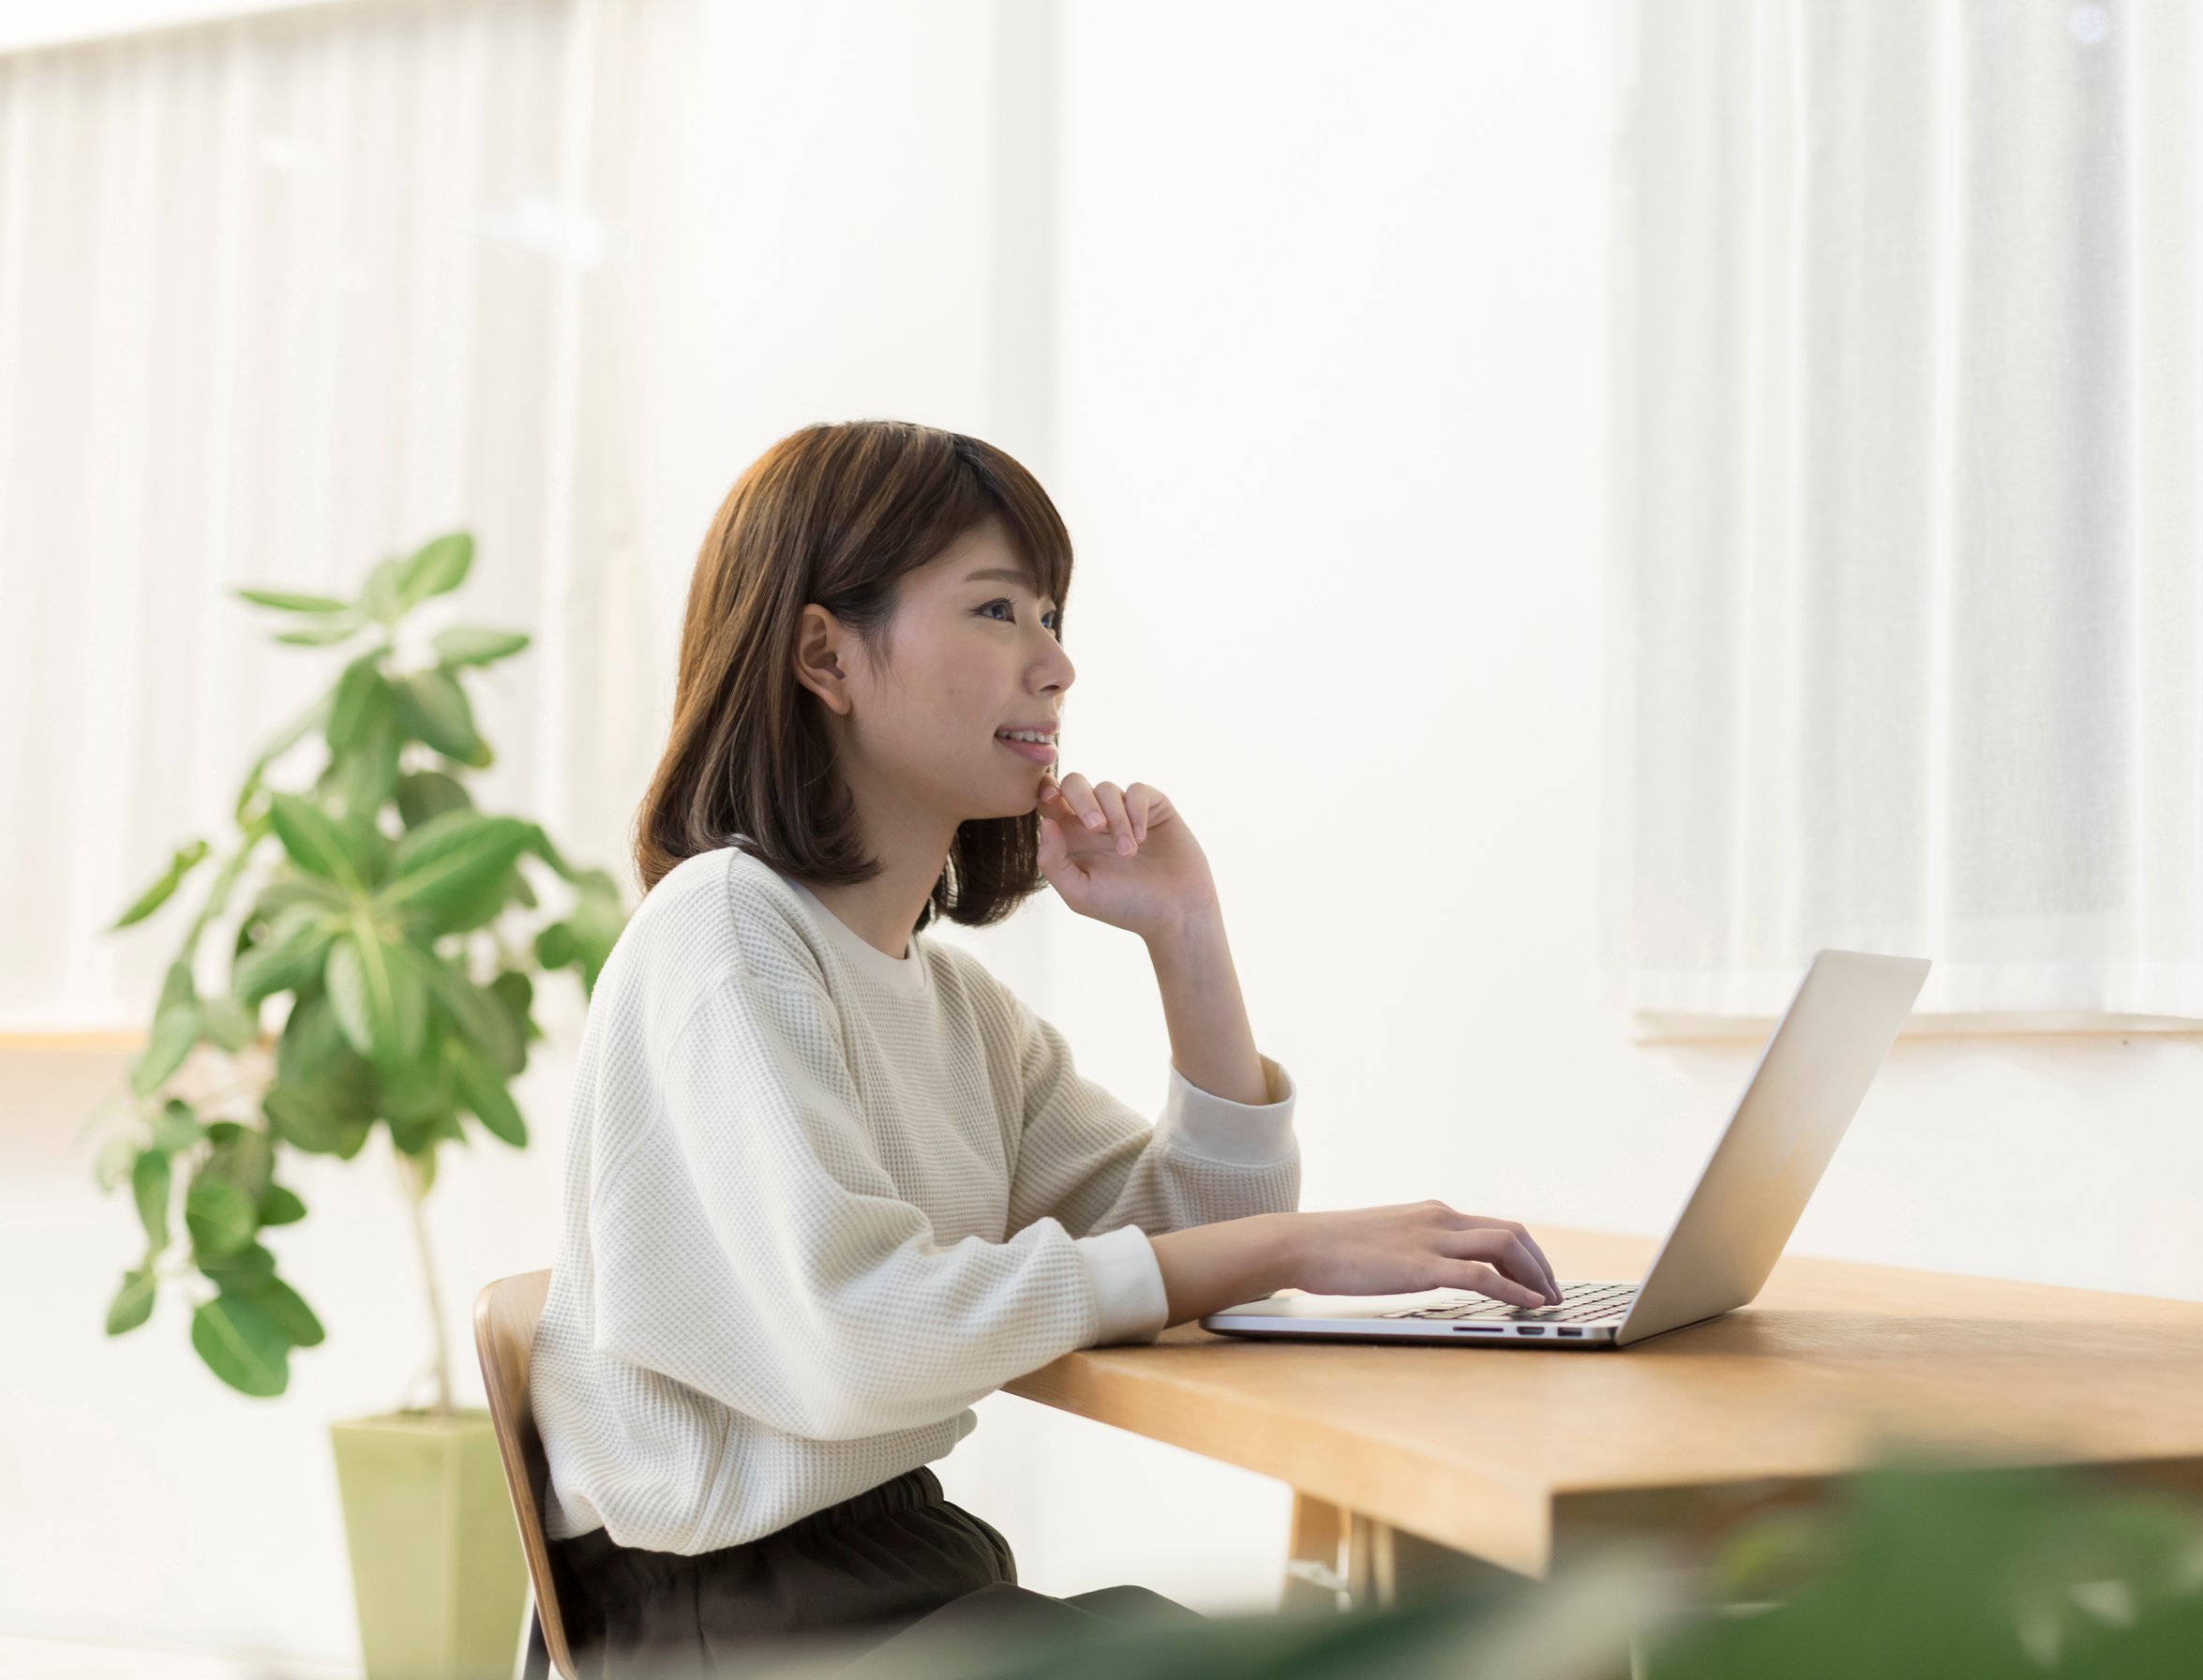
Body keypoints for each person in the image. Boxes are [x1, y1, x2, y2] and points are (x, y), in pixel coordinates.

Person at [527, 419, 1563, 1675]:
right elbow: (858, 1335)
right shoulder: (724, 934)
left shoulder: (953, 1005)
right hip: (736, 1621)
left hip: (910, 1570)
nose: (1056, 664)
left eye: (1052, 615)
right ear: (824, 656)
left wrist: (1188, 936)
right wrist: (1294, 1244)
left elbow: (1187, 1239)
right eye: (998, 611)